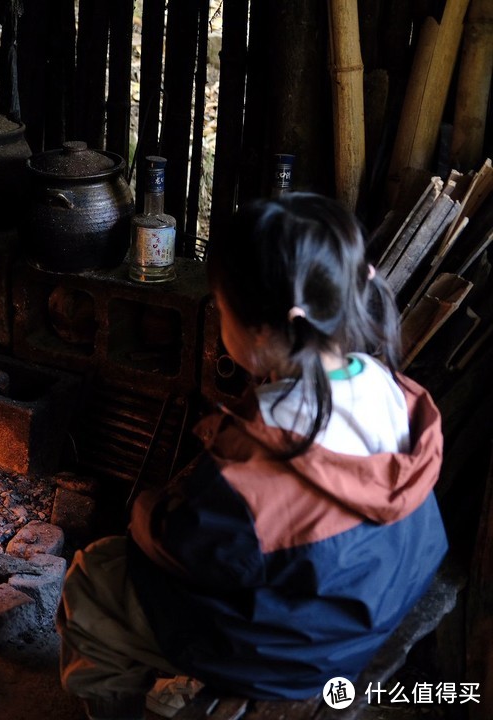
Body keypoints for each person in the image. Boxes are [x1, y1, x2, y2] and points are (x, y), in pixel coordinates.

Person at [56, 193, 448, 719]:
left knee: (92, 578)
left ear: (263, 330)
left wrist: (143, 513)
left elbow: (182, 548)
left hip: (297, 653)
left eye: (221, 306)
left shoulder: (256, 466)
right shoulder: (392, 390)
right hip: (374, 598)